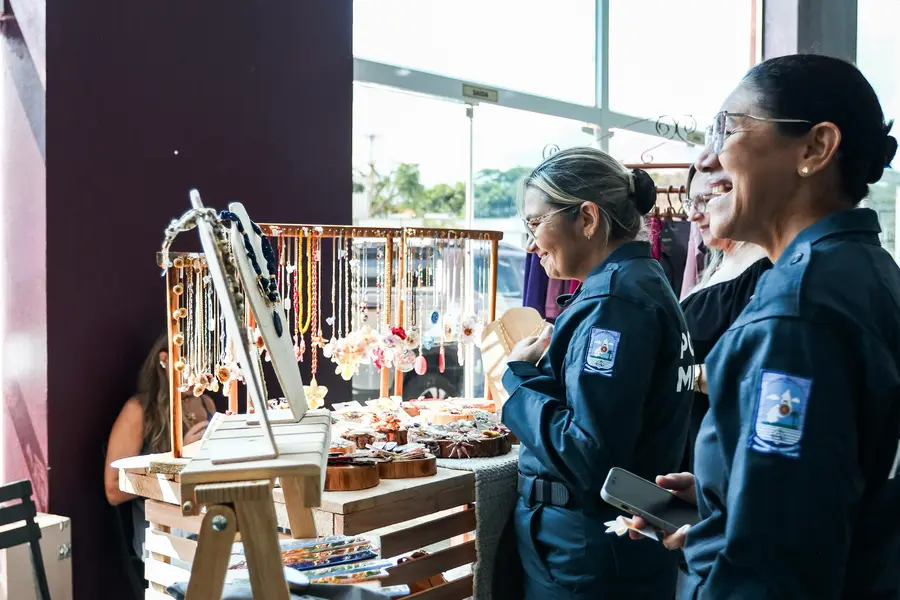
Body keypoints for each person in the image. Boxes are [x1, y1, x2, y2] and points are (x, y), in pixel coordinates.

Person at [633, 54, 900, 598]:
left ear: (814, 148)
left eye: (726, 128)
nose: (706, 158)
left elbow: (772, 562)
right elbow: (825, 486)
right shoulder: (865, 270)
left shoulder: (799, 311)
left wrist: (731, 534)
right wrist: (727, 495)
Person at [502, 147, 694, 599]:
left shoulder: (615, 304)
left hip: (586, 553)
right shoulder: (642, 283)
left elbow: (588, 454)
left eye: (535, 224)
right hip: (611, 545)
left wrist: (519, 378)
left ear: (587, 219)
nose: (531, 245)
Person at [678, 166, 770, 472]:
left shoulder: (766, 271)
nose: (694, 215)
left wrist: (671, 374)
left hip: (729, 456)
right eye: (690, 202)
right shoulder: (719, 264)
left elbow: (753, 374)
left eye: (706, 199)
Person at [104, 333, 215, 558]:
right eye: (193, 365)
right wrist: (177, 457)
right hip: (163, 531)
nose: (200, 376)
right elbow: (113, 490)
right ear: (165, 360)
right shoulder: (138, 411)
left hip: (208, 519)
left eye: (205, 366)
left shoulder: (205, 402)